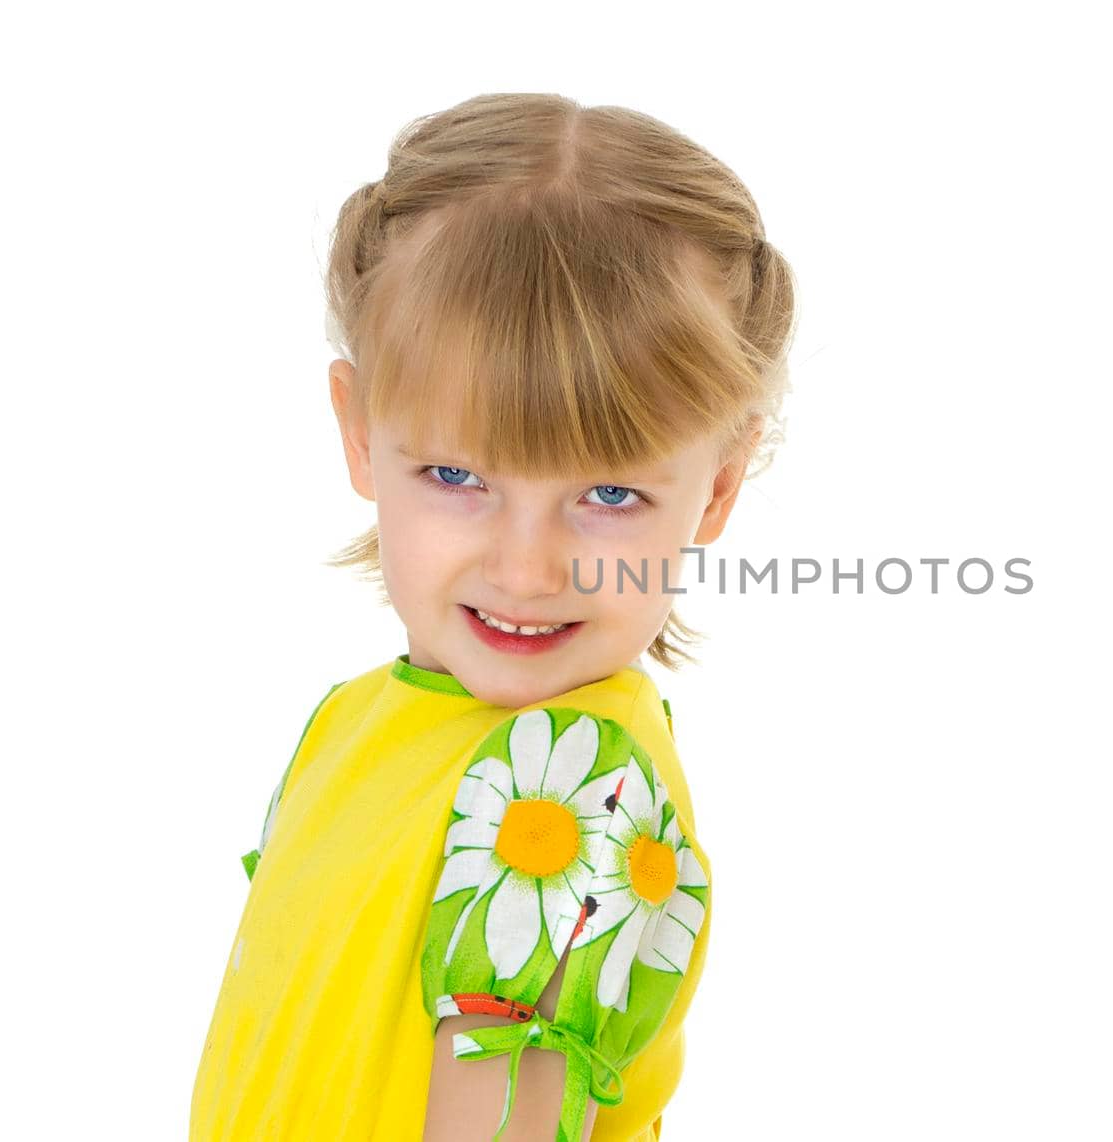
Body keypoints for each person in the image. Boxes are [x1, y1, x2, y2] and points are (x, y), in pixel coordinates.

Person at [189, 92, 796, 1142]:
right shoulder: (355, 719)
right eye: (458, 473)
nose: (525, 567)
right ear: (359, 431)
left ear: (716, 491)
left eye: (608, 495)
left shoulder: (572, 783)